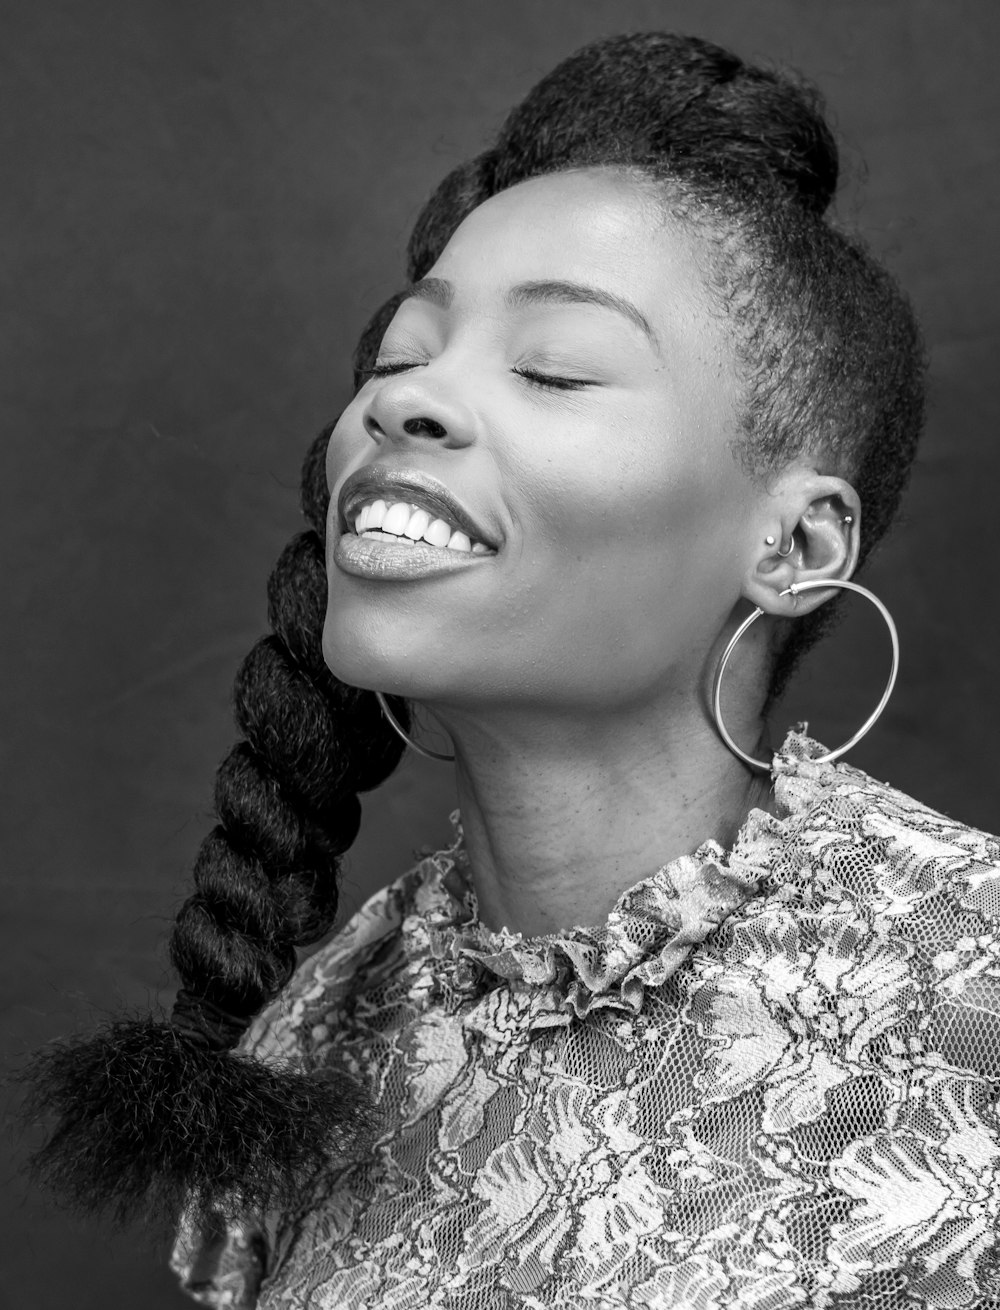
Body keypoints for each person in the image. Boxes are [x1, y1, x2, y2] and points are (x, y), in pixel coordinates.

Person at [22, 30, 1000, 1310]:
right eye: (397, 357)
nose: (404, 403)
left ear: (795, 544)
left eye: (551, 366)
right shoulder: (315, 1038)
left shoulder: (969, 992)